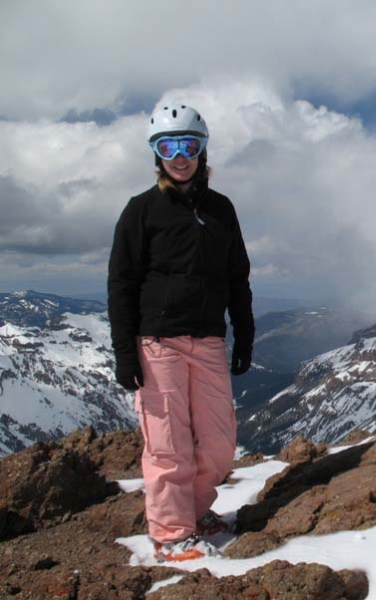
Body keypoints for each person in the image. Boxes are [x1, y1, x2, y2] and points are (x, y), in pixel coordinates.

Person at [108, 103, 255, 562]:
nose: (179, 155)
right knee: (168, 446)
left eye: (187, 145)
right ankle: (171, 535)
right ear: (156, 153)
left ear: (201, 149)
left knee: (217, 443)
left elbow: (236, 275)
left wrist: (243, 331)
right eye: (167, 145)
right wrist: (124, 351)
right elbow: (122, 283)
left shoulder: (221, 209)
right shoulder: (141, 211)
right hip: (157, 342)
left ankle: (193, 511)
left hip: (208, 338)